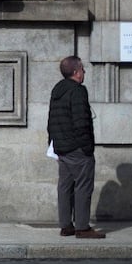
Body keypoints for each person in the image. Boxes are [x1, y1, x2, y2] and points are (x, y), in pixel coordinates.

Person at [47, 56, 105, 239]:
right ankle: (82, 227)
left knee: (64, 186)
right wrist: (87, 147)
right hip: (77, 149)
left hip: (62, 148)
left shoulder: (57, 90)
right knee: (83, 187)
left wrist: (54, 143)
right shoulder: (78, 91)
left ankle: (66, 226)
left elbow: (51, 121)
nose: (84, 72)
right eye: (83, 69)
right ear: (76, 72)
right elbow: (81, 122)